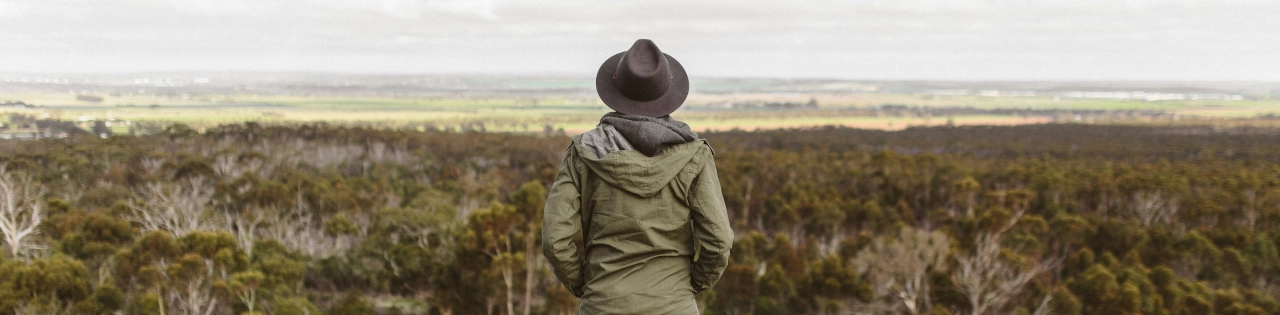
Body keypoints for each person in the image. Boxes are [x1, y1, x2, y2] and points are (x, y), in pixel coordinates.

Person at [542, 39, 734, 315]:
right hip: (674, 306)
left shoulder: (583, 152)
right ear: (666, 93)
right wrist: (689, 287)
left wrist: (587, 286)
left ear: (617, 89)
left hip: (603, 305)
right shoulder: (695, 155)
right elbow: (719, 240)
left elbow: (554, 239)